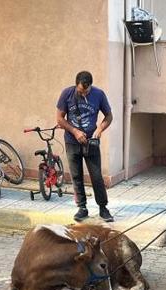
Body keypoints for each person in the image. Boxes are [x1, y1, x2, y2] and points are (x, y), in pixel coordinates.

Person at [56, 70, 114, 222]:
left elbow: (109, 116)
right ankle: (82, 208)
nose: (84, 94)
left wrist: (100, 129)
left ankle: (103, 207)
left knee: (96, 176)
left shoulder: (98, 94)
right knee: (76, 176)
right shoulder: (66, 94)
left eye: (86, 91)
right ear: (76, 85)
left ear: (91, 87)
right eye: (81, 91)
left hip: (91, 143)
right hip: (72, 142)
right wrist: (75, 132)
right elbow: (60, 119)